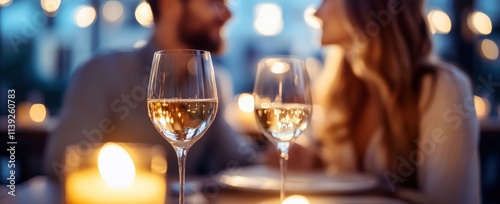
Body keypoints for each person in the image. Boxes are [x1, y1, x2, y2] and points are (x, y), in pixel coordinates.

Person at [44, 0, 255, 181]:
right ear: (169, 4)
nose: (228, 14)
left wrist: (277, 155)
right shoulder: (100, 72)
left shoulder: (213, 84)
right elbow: (60, 162)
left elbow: (236, 159)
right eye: (214, 2)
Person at [309, 0, 481, 203]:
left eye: (327, 1)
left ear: (367, 6)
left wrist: (369, 191)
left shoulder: (443, 88)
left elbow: (448, 200)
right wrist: (313, 160)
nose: (316, 13)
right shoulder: (341, 88)